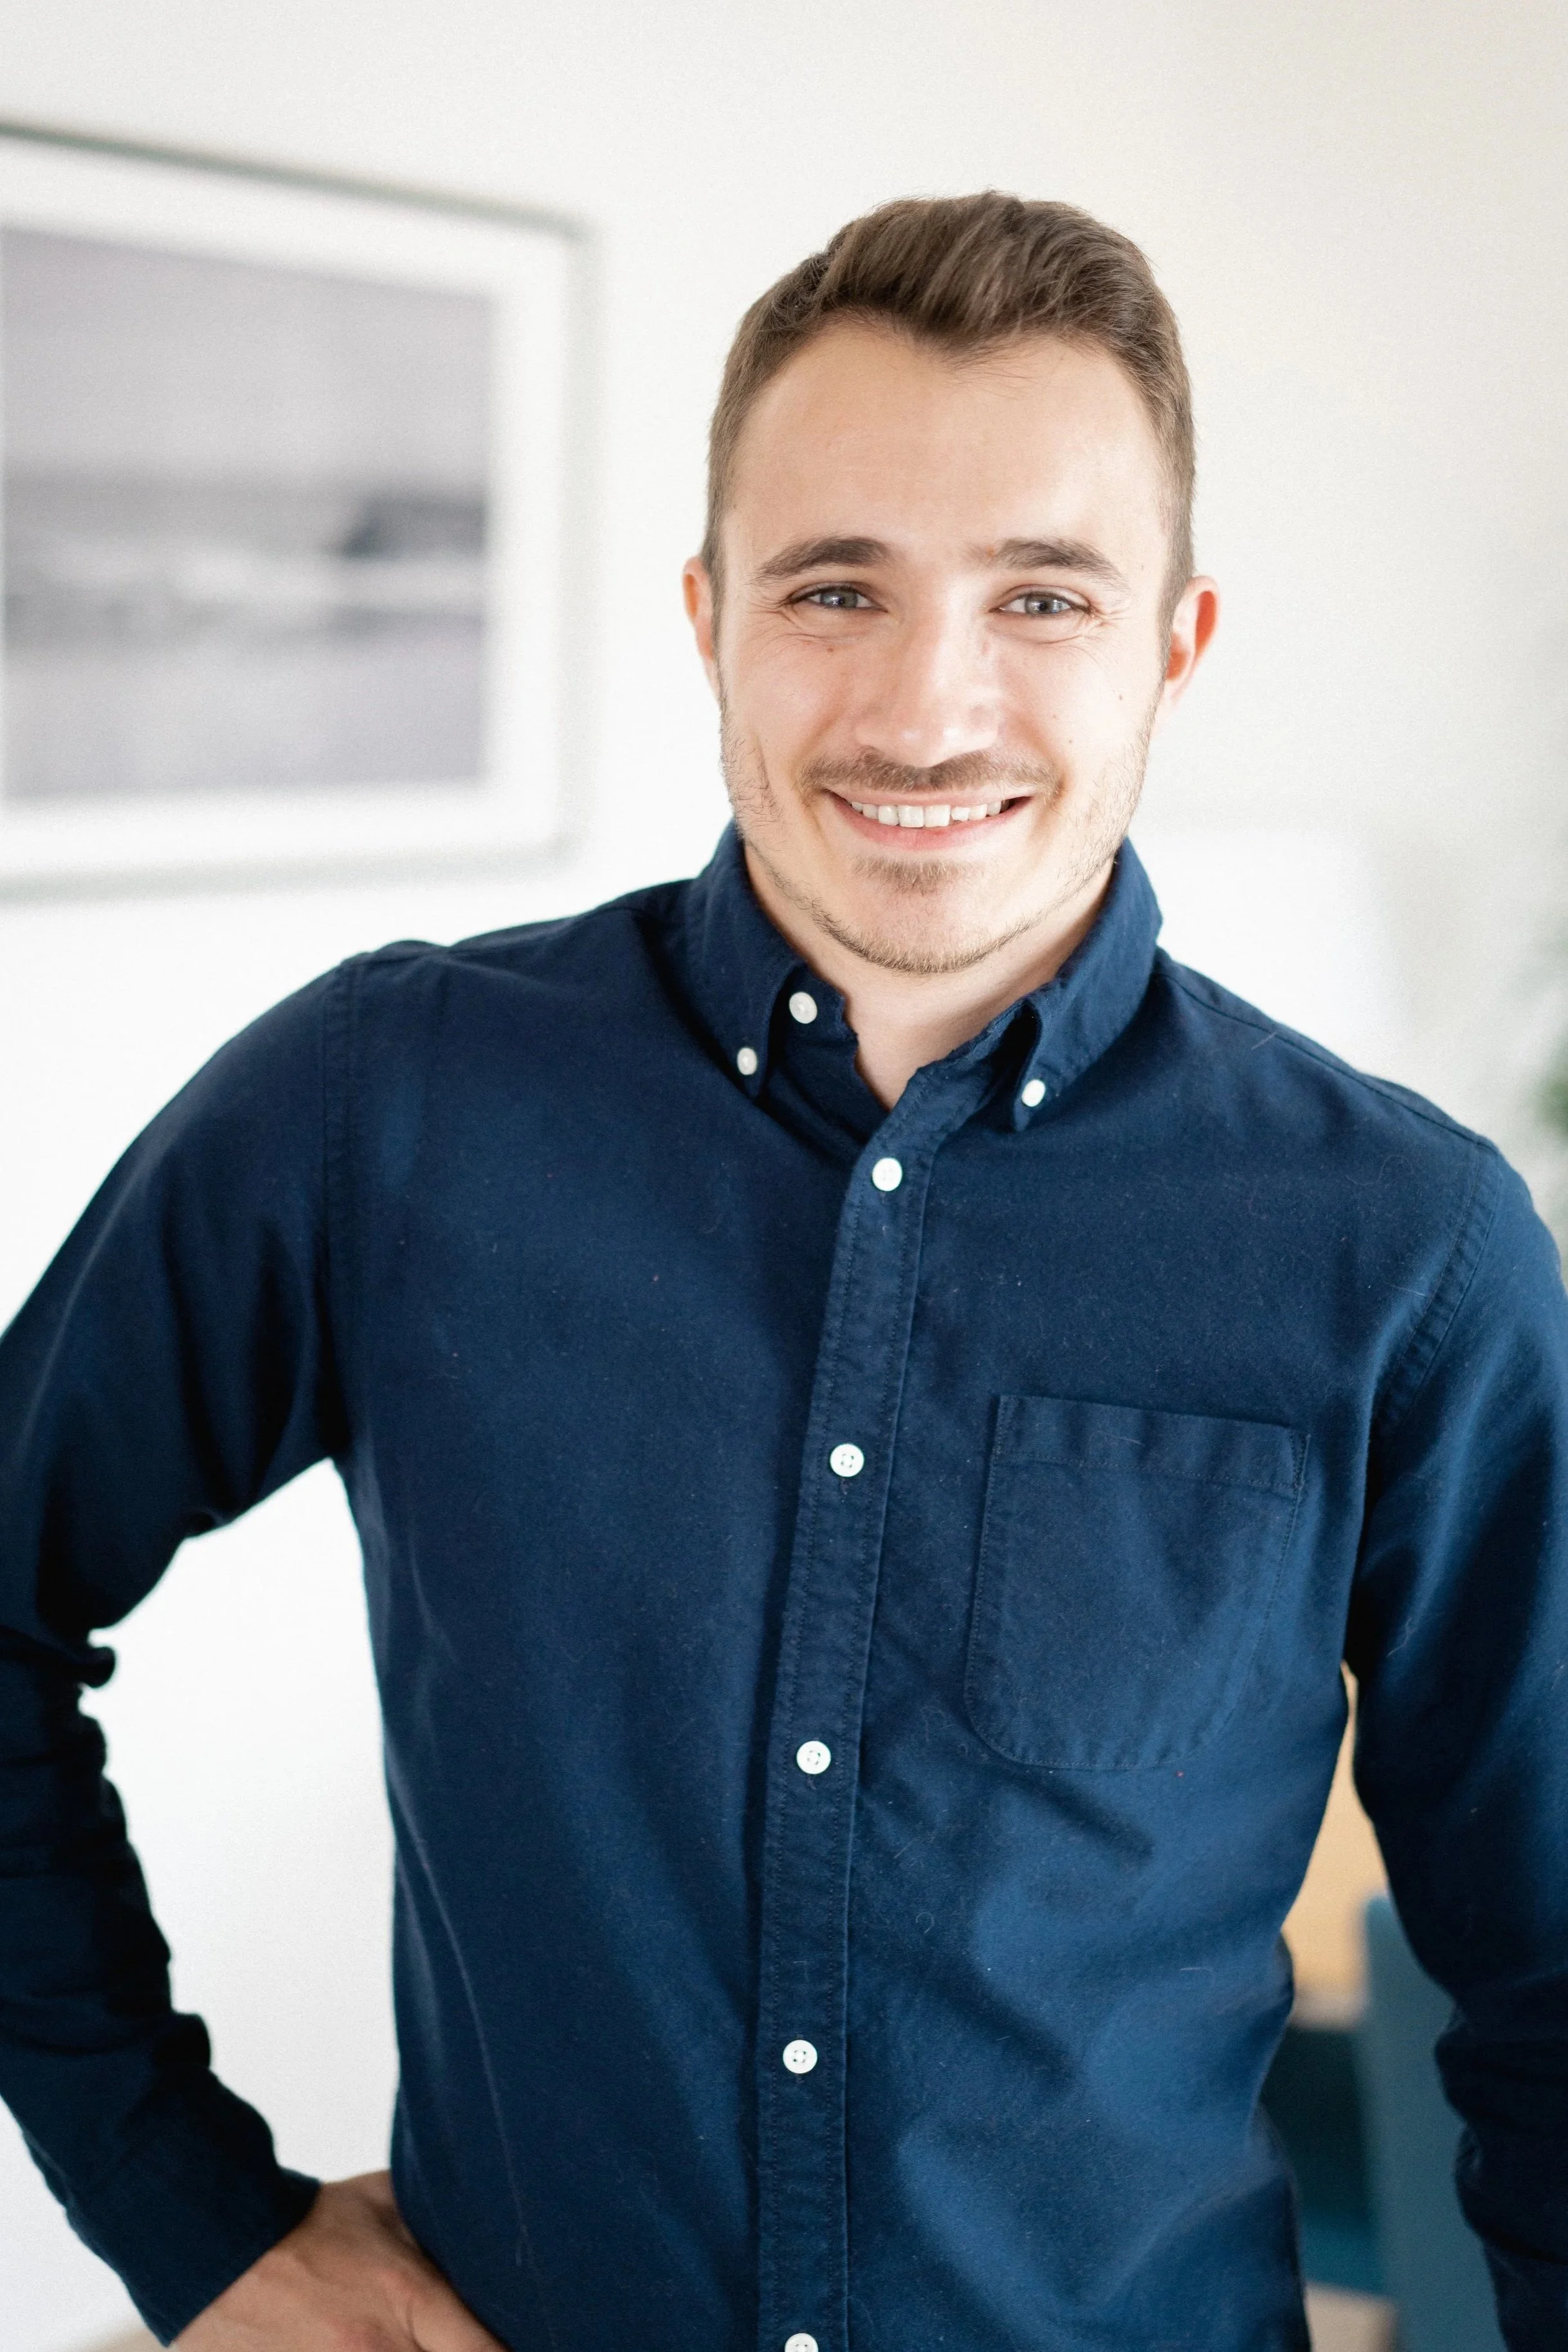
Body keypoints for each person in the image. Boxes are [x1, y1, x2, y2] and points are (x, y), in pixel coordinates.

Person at [0, 191, 1563, 2352]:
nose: (930, 707)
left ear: (1171, 643)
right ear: (708, 616)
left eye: (1042, 594)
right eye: (836, 588)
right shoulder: (387, 1106)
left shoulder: (1406, 1249)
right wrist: (188, 2217)